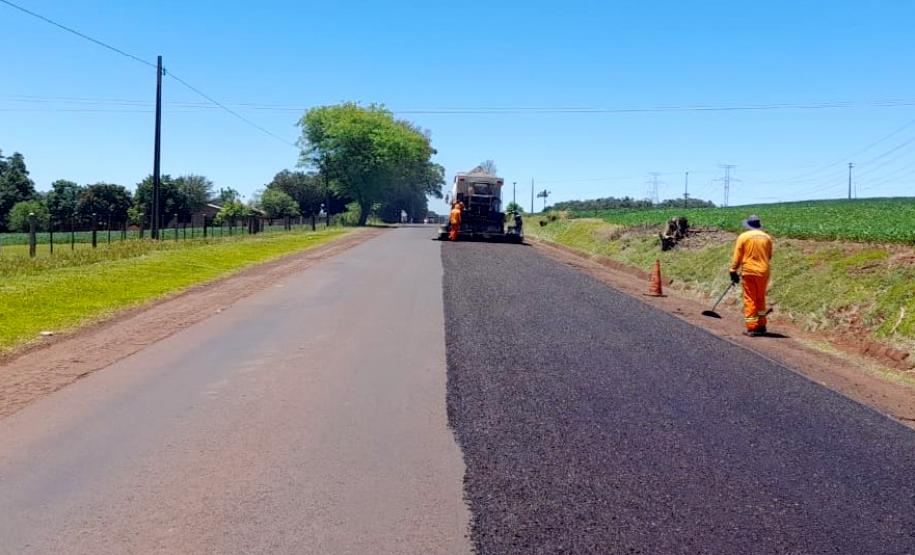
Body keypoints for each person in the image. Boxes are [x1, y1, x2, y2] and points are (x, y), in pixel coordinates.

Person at [729, 214, 773, 337]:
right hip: (764, 271)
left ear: (748, 225)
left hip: (749, 271)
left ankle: (752, 327)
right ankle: (762, 325)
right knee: (760, 298)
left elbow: (737, 256)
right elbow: (769, 256)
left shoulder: (743, 237)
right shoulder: (767, 237)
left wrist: (733, 270)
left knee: (750, 299)